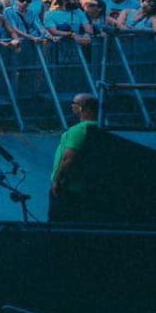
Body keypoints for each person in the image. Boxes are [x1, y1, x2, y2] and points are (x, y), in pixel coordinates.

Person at [49, 92, 103, 223]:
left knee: (58, 222)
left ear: (84, 108)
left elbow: (68, 159)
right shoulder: (101, 128)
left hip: (67, 188)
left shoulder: (78, 130)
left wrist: (57, 181)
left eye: (75, 103)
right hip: (85, 186)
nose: (72, 106)